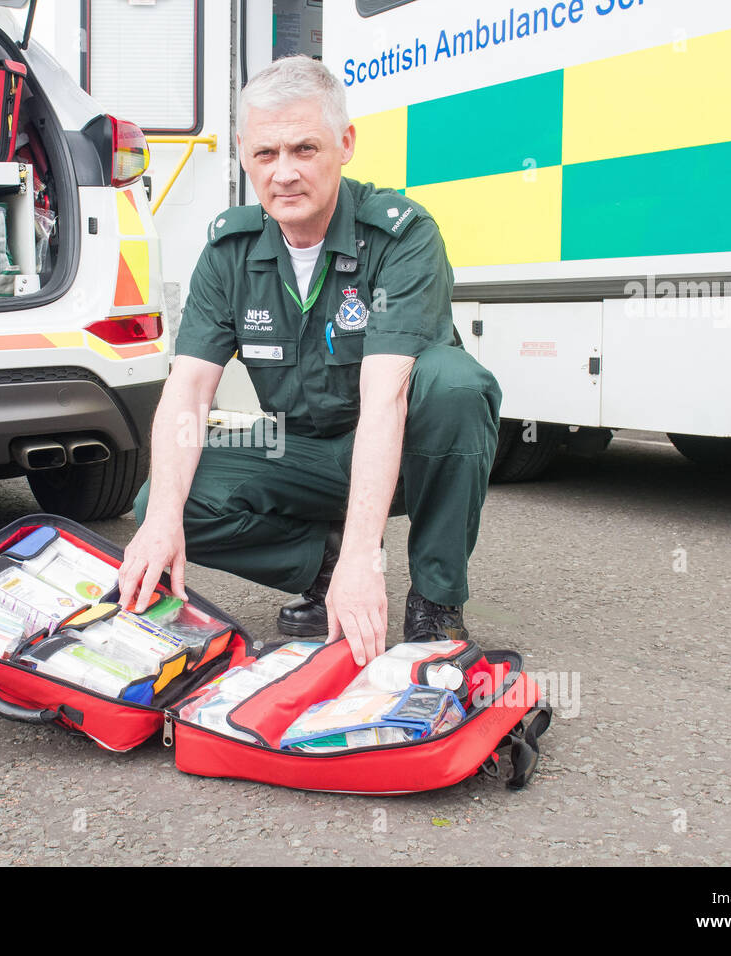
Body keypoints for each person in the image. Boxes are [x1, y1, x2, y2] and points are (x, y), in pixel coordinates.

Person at [118, 56, 500, 666]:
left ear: (345, 144)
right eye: (266, 154)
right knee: (160, 500)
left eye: (304, 148)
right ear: (242, 152)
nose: (285, 173)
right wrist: (162, 523)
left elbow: (385, 399)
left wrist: (365, 558)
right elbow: (188, 393)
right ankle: (320, 567)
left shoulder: (402, 236)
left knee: (454, 384)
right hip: (301, 451)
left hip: (398, 449)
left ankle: (433, 603)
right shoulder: (230, 252)